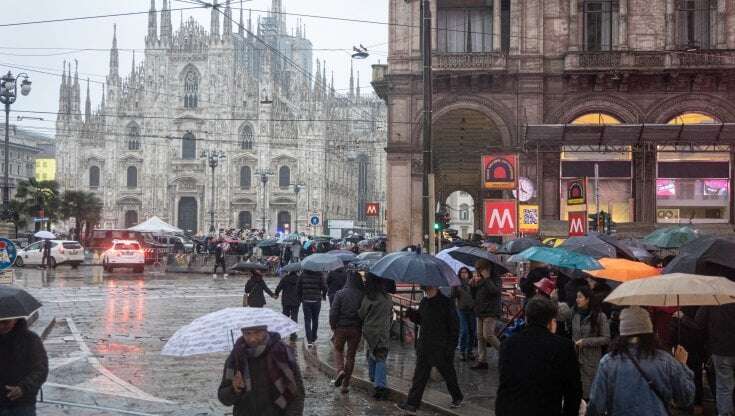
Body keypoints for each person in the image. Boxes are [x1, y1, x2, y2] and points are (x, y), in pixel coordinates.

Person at [587, 306, 694, 416]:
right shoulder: (665, 360)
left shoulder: (608, 362)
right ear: (649, 330)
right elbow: (685, 398)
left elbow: (596, 406)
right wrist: (681, 365)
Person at [495, 296, 582, 416]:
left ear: (526, 318)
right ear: (551, 321)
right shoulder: (563, 347)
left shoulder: (508, 344)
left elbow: (504, 384)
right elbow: (573, 390)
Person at [396, 286, 463, 413]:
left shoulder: (446, 303)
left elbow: (454, 327)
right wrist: (412, 314)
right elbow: (422, 320)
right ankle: (412, 403)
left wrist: (450, 347)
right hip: (425, 345)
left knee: (448, 373)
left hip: (441, 346)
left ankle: (457, 396)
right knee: (419, 375)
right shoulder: (424, 302)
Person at [217, 325, 305, 416]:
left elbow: (297, 393)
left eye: (257, 333)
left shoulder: (282, 353)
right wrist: (234, 389)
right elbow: (223, 398)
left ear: (265, 330)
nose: (252, 339)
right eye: (247, 334)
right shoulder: (235, 358)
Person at [0, 318, 49, 416]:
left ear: (15, 319)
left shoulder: (30, 339)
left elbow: (40, 369)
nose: (1, 326)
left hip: (22, 404)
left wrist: (23, 388)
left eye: (5, 322)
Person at [695, 303, 735, 416]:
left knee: (724, 387)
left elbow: (699, 322)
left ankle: (725, 413)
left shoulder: (713, 298)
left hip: (720, 349)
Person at [570, 286, 610, 399]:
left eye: (580, 297)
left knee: (589, 395)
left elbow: (606, 338)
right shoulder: (575, 315)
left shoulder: (600, 316)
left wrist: (586, 342)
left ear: (587, 299)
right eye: (577, 297)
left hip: (591, 361)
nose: (577, 299)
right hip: (576, 359)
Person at [359, 273, 393, 400]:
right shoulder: (387, 298)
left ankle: (374, 379)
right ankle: (380, 386)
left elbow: (361, 314)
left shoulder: (369, 297)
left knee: (372, 354)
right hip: (382, 332)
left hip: (369, 332)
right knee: (381, 357)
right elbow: (390, 314)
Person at [329, 272, 364, 394]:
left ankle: (340, 370)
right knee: (351, 356)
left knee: (338, 349)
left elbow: (333, 312)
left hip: (341, 328)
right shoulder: (362, 295)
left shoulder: (340, 294)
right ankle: (345, 385)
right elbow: (364, 313)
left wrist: (333, 326)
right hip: (356, 329)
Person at [471, 259, 502, 370]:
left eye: (480, 269)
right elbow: (475, 295)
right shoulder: (480, 279)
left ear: (486, 269)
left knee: (488, 335)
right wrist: (472, 285)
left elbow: (495, 292)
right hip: (480, 310)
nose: (479, 272)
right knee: (480, 336)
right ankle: (482, 360)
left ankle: (504, 352)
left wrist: (487, 278)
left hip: (491, 310)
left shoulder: (495, 278)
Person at [297, 270, 327, 347]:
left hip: (306, 301)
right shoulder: (320, 274)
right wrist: (323, 295)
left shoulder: (302, 274)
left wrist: (301, 298)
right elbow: (324, 287)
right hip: (317, 301)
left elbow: (298, 287)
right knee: (315, 319)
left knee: (307, 320)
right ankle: (313, 338)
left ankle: (309, 340)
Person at [453, 267, 476, 362]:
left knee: (472, 331)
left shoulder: (473, 283)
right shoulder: (457, 284)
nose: (464, 274)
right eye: (462, 272)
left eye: (465, 272)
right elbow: (453, 295)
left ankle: (469, 351)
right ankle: (462, 351)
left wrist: (473, 286)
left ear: (468, 273)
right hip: (461, 309)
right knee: (464, 330)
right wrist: (454, 288)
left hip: (472, 310)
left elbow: (476, 295)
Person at [275, 272, 301, 341]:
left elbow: (279, 287)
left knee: (284, 317)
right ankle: (293, 335)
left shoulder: (285, 278)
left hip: (286, 301)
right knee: (294, 317)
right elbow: (302, 290)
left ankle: (283, 333)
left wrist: (276, 294)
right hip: (296, 301)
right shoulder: (299, 279)